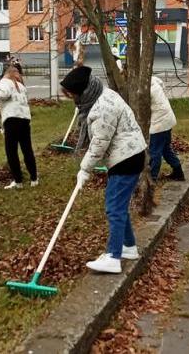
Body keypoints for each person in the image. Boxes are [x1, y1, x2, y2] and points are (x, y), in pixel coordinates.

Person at [61, 66, 147, 274]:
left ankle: (113, 257)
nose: (71, 98)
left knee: (114, 207)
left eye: (72, 94)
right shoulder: (102, 93)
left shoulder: (102, 109)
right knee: (118, 205)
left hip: (126, 158)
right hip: (129, 155)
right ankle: (128, 247)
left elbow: (99, 144)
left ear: (83, 91)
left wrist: (84, 169)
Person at [0, 64, 38, 188]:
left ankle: (18, 181)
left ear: (7, 73)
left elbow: (4, 94)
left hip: (11, 119)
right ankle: (34, 179)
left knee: (11, 151)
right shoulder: (21, 86)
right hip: (24, 119)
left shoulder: (5, 82)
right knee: (27, 149)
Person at [149, 76, 184, 181]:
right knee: (165, 148)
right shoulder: (154, 80)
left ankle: (152, 178)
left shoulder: (145, 88)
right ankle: (178, 171)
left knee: (155, 151)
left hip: (159, 123)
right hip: (167, 119)